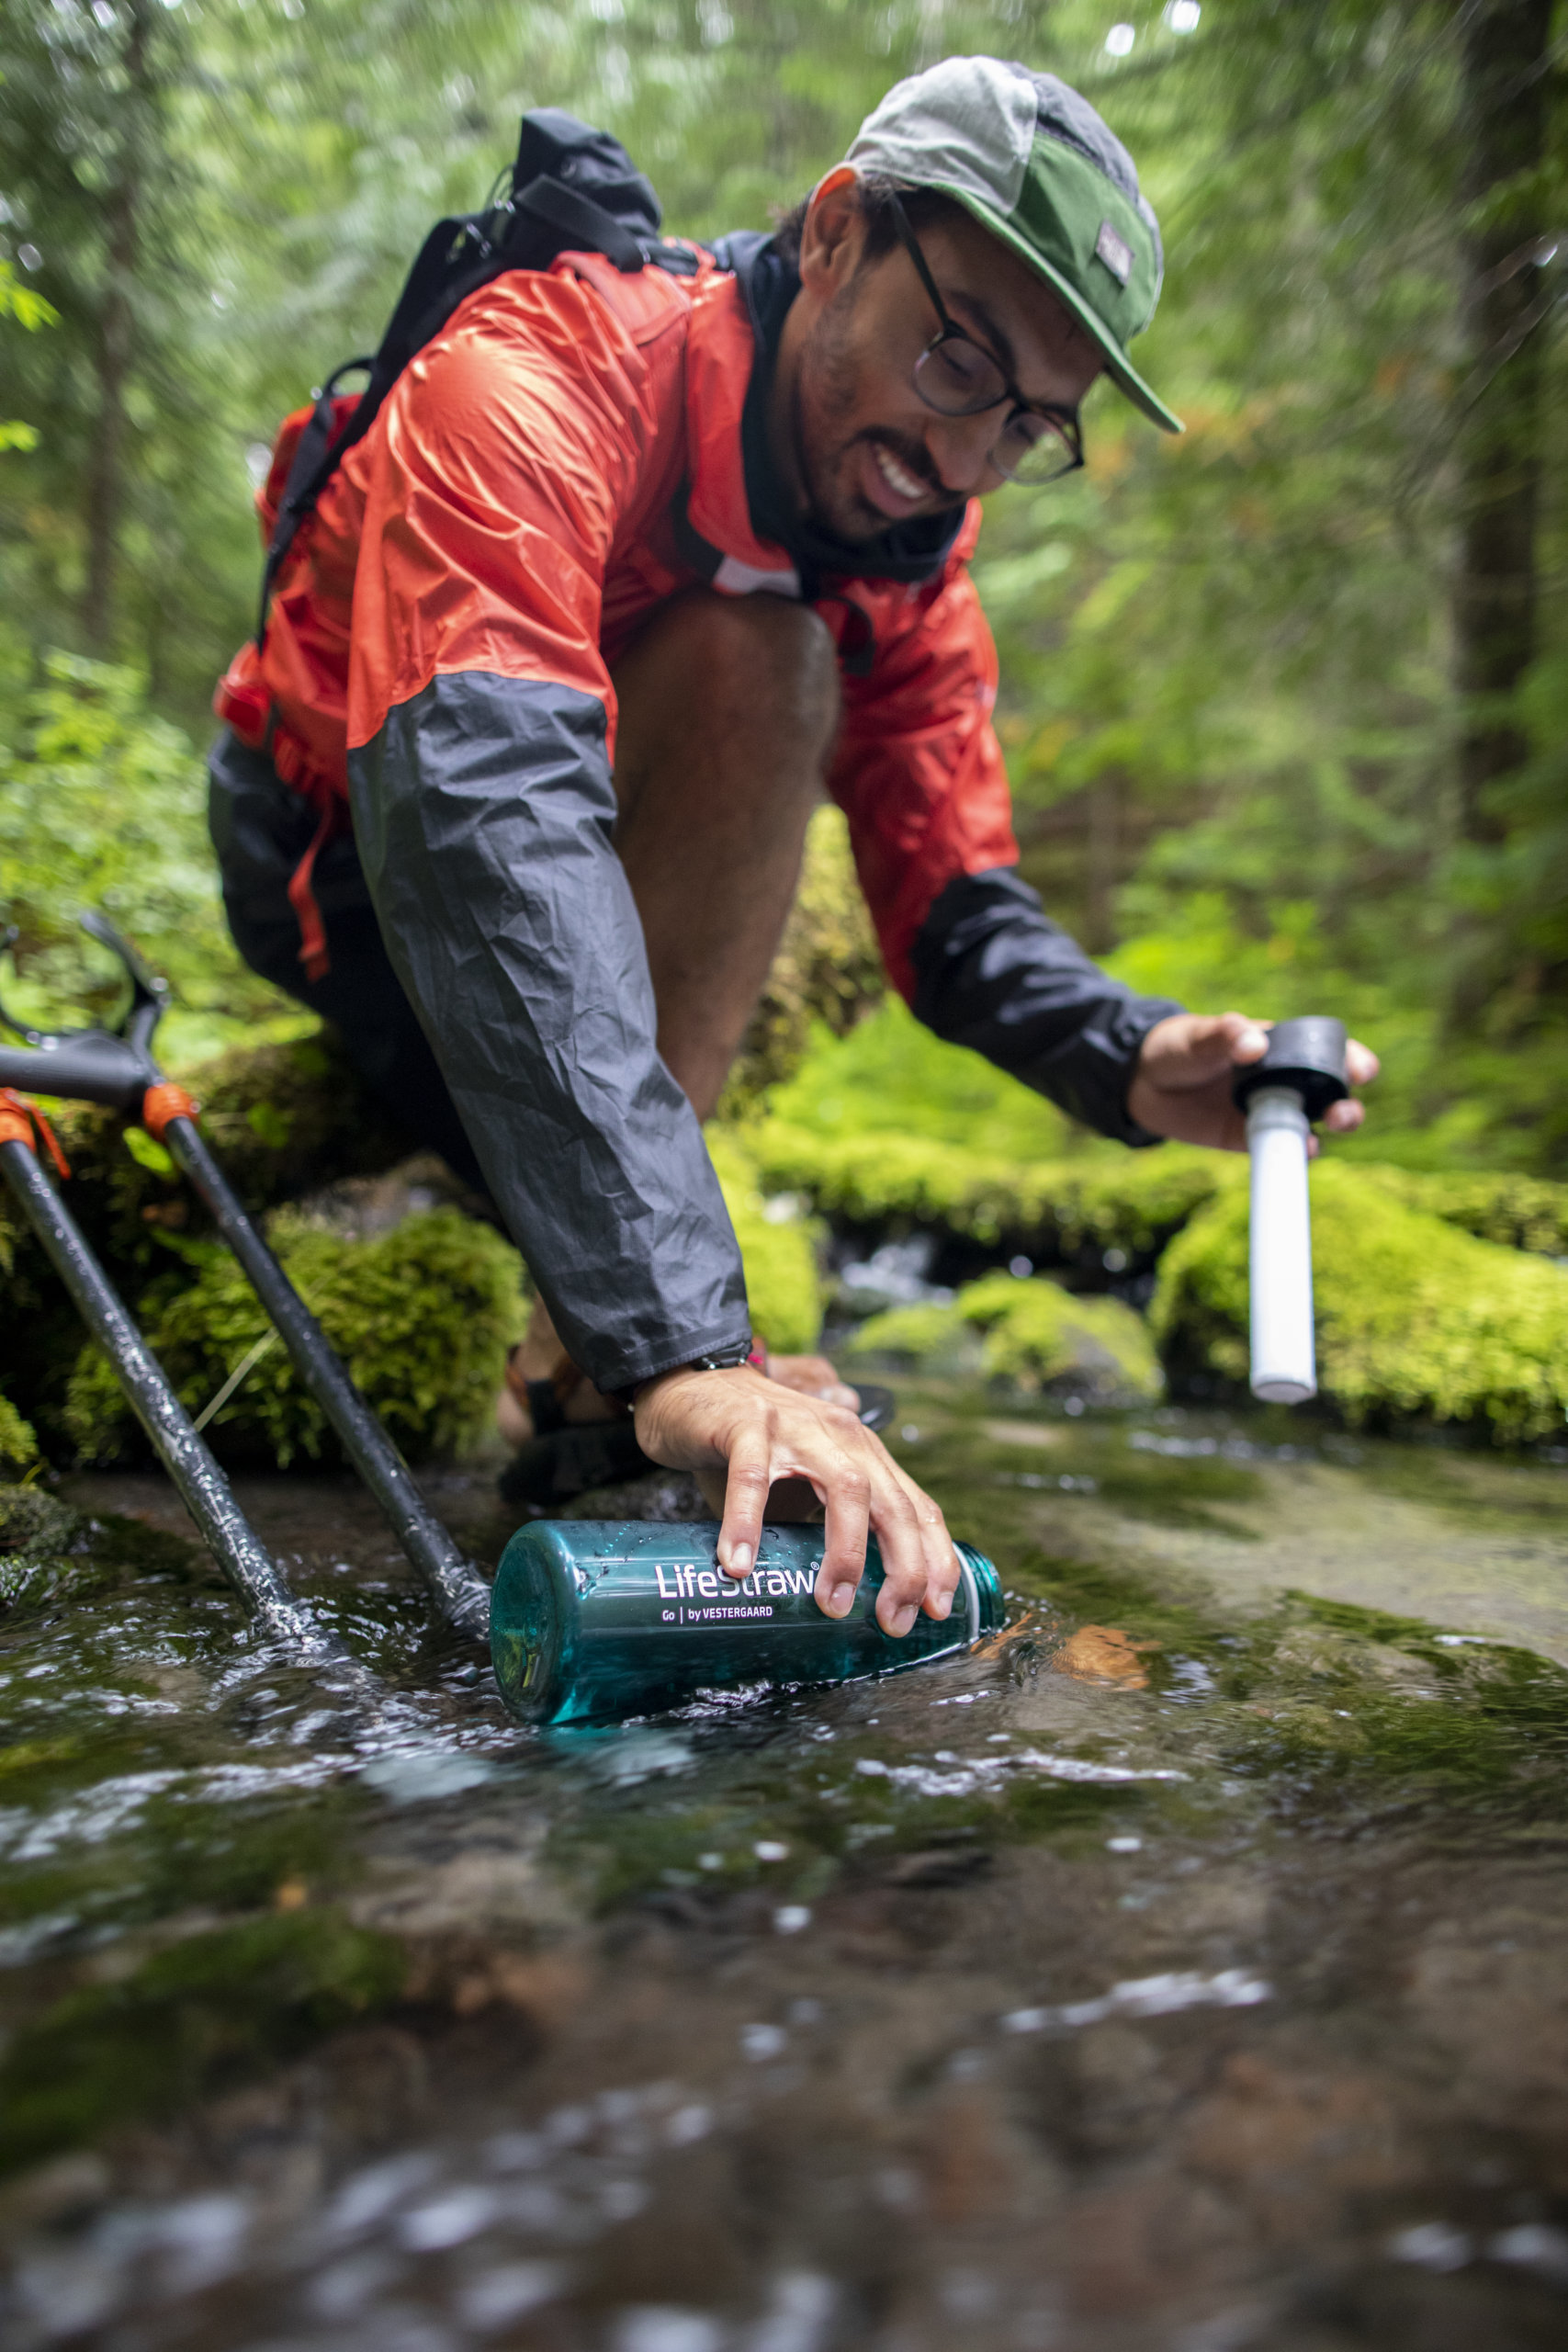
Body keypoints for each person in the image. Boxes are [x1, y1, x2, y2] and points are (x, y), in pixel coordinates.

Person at [209, 56, 1376, 1643]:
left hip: (556, 881)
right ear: (836, 233)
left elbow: (952, 895)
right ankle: (607, 1353)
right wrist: (693, 1354)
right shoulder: (539, 379)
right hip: (341, 861)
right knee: (763, 659)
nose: (967, 459)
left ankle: (582, 1353)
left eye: (1034, 424)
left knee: (778, 647)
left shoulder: (909, 557)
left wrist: (1127, 1054)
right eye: (960, 359)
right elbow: (489, 825)